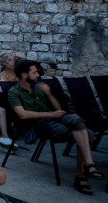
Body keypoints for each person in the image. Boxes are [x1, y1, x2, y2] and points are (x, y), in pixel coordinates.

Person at [9, 60, 104, 195]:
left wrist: (48, 94)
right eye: (34, 72)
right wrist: (51, 114)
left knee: (76, 119)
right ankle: (81, 176)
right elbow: (22, 115)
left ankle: (89, 163)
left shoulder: (39, 87)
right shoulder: (14, 91)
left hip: (57, 117)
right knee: (87, 133)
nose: (38, 75)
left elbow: (58, 108)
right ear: (24, 75)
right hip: (41, 124)